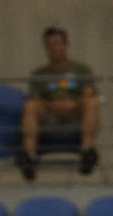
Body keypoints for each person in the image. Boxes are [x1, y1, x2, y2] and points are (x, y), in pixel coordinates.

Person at [19, 25, 99, 180]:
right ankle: (29, 156)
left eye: (57, 44)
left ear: (66, 45)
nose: (54, 48)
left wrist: (72, 104)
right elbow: (35, 98)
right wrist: (52, 106)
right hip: (49, 116)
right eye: (49, 45)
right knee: (30, 106)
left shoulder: (81, 70)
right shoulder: (39, 74)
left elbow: (89, 93)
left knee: (91, 103)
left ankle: (87, 151)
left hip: (75, 115)